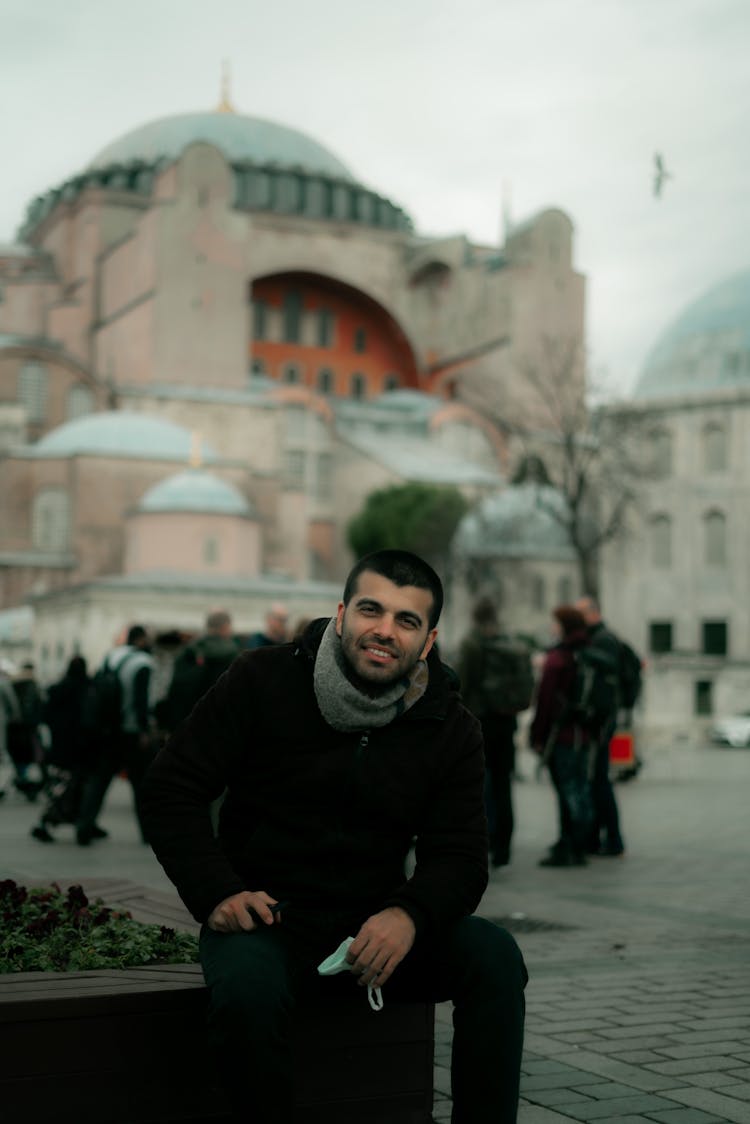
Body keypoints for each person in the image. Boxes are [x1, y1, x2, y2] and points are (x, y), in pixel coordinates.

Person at [141, 549, 527, 1124]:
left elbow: (461, 856)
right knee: (247, 994)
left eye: (406, 620)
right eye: (371, 610)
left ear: (428, 639)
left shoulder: (449, 725)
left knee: (494, 957)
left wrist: (409, 915)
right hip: (267, 920)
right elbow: (172, 786)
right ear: (342, 614)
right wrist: (217, 892)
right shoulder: (262, 679)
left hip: (373, 928)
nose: (384, 631)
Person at [455, 597, 533, 868]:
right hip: (506, 723)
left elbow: (462, 683)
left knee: (479, 785)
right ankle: (504, 847)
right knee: (504, 785)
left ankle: (484, 842)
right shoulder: (507, 642)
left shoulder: (472, 643)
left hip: (480, 723)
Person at [76, 624, 155, 845]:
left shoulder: (111, 657)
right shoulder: (143, 663)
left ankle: (85, 825)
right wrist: (143, 729)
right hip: (130, 731)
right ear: (140, 640)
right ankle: (147, 832)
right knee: (140, 783)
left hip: (107, 730)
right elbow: (141, 700)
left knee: (99, 780)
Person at [529, 605, 595, 867]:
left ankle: (568, 846)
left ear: (565, 625)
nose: (551, 626)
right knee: (581, 789)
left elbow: (545, 702)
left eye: (555, 622)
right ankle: (580, 844)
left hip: (562, 735)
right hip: (586, 734)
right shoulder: (590, 653)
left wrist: (537, 735)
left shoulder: (558, 658)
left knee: (566, 791)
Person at [575, 595, 626, 856]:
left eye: (581, 613)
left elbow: (606, 677)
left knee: (599, 780)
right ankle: (597, 837)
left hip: (601, 721)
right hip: (600, 720)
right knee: (595, 779)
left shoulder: (603, 639)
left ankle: (613, 840)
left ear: (594, 613)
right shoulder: (599, 638)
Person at [31, 655, 97, 842]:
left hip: (60, 746)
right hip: (83, 745)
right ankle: (79, 820)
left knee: (62, 784)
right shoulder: (88, 688)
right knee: (80, 785)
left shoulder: (57, 688)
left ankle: (51, 819)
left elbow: (45, 716)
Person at [160, 610, 241, 734]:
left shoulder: (189, 651)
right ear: (225, 627)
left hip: (187, 721)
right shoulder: (232, 655)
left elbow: (174, 688)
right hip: (216, 725)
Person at [7, 662, 46, 800]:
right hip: (29, 727)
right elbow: (39, 705)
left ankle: (22, 778)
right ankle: (39, 783)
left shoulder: (12, 684)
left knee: (19, 755)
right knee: (36, 754)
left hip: (14, 728)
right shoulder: (33, 685)